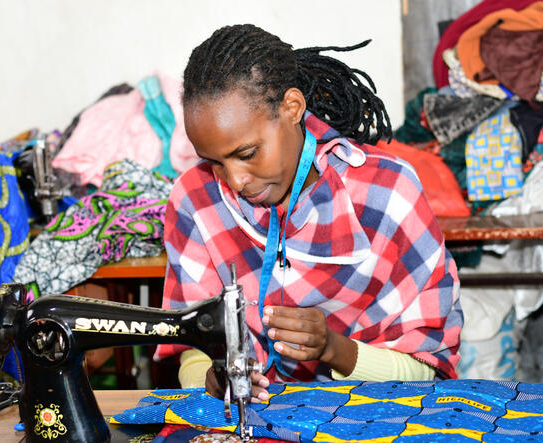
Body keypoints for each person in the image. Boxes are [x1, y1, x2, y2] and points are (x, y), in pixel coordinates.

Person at [154, 24, 463, 403]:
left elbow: (427, 371)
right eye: (214, 162)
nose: (233, 180)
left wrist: (334, 348)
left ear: (292, 107)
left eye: (247, 154)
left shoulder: (387, 195)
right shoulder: (196, 199)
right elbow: (192, 348)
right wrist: (212, 381)